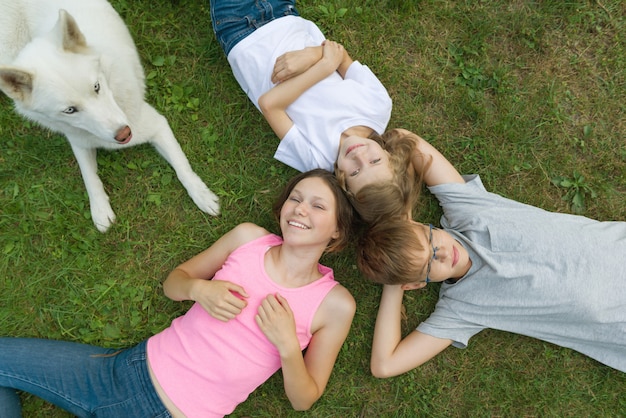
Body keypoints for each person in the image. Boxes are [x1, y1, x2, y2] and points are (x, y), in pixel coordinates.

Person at [0, 169, 357, 417]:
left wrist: (288, 347)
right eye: (296, 198)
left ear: (337, 231)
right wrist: (199, 289)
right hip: (122, 371)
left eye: (318, 206)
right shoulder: (249, 238)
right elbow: (175, 282)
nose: (299, 209)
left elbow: (304, 400)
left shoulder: (335, 304)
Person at [356, 134, 626, 377]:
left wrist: (400, 215)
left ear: (421, 224)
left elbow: (407, 140)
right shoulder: (461, 307)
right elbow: (384, 365)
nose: (442, 254)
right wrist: (395, 285)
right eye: (428, 264)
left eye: (430, 240)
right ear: (416, 284)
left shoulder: (468, 213)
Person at [209, 0, 393, 182]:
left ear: (344, 184)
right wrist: (315, 56)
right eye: (375, 161)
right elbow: (340, 56)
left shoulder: (317, 160)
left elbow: (269, 105)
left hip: (242, 32)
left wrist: (325, 66)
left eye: (355, 172)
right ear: (390, 157)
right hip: (284, 13)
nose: (360, 157)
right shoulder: (378, 107)